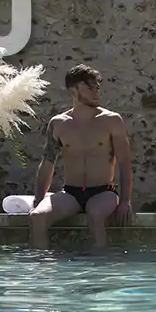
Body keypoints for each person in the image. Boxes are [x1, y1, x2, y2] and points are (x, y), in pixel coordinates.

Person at [29, 64, 134, 248]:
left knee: (95, 215)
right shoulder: (59, 123)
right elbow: (48, 162)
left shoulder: (111, 120)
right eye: (89, 87)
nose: (96, 92)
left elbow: (125, 163)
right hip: (71, 192)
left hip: (103, 192)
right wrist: (38, 199)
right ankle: (42, 269)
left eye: (97, 87)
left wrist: (125, 201)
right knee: (37, 217)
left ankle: (99, 268)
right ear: (73, 91)